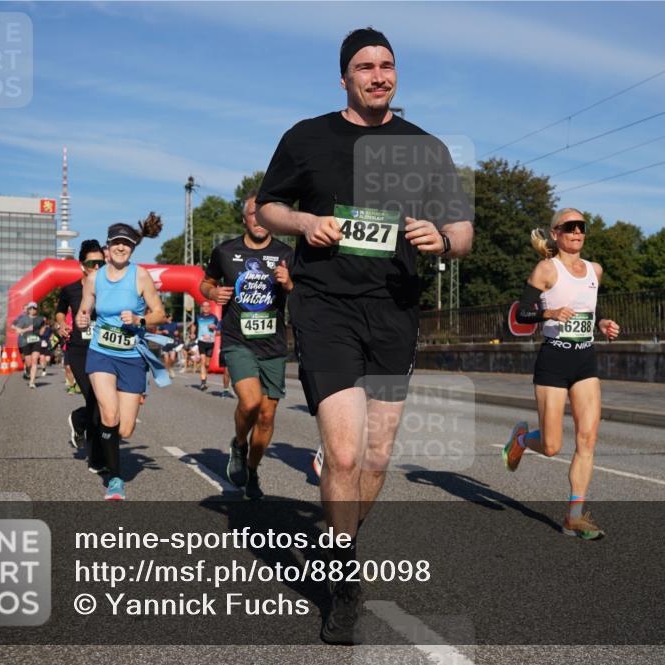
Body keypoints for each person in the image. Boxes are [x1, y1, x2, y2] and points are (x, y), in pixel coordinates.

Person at [256, 27, 473, 644]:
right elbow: (269, 207)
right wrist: (305, 222)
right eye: (365, 66)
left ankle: (339, 541)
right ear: (344, 78)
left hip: (394, 312)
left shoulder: (425, 147)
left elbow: (463, 231)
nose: (378, 75)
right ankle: (345, 583)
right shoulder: (307, 137)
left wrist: (442, 239)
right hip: (325, 308)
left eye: (387, 65)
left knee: (376, 458)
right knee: (345, 456)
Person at [504, 208, 621, 540]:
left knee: (587, 439)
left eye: (581, 226)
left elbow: (591, 308)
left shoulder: (595, 269)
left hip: (585, 360)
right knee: (552, 446)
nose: (577, 231)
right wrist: (549, 312)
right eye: (570, 227)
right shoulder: (546, 269)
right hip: (554, 359)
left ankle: (574, 517)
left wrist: (602, 323)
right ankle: (521, 440)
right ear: (555, 233)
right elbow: (522, 313)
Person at [201, 191, 294, 500]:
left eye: (265, 214)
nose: (259, 219)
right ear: (244, 219)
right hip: (238, 340)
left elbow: (302, 294)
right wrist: (212, 294)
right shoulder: (225, 252)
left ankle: (252, 470)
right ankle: (239, 444)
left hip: (273, 344)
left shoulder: (286, 254)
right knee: (251, 403)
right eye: (254, 213)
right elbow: (206, 283)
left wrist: (288, 283)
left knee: (266, 417)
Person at [77, 214, 166, 501]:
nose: (120, 247)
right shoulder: (94, 278)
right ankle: (115, 478)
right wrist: (81, 319)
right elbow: (83, 310)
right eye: (116, 242)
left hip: (131, 356)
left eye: (126, 244)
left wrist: (140, 320)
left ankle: (106, 445)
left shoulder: (140, 276)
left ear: (132, 248)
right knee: (109, 414)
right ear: (108, 247)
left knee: (125, 429)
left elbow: (160, 314)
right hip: (101, 353)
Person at [57, 239, 107, 472]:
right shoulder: (70, 289)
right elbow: (60, 312)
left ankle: (79, 418)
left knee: (102, 402)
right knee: (95, 399)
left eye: (101, 263)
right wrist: (61, 324)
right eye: (91, 263)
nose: (96, 267)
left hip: (105, 349)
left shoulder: (111, 288)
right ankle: (96, 457)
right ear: (81, 266)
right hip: (79, 350)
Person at [11, 302, 45, 389]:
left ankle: (32, 382)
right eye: (31, 308)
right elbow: (18, 331)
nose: (32, 310)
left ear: (37, 310)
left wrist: (42, 332)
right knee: (29, 363)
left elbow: (43, 328)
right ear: (28, 310)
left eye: (34, 308)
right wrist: (27, 329)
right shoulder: (23, 319)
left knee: (35, 360)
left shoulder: (40, 319)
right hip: (26, 342)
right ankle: (27, 369)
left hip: (36, 342)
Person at [193, 300, 219, 392]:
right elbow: (194, 326)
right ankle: (203, 382)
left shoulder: (214, 317)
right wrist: (192, 333)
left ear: (210, 307)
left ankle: (205, 377)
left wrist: (214, 327)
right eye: (204, 306)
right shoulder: (198, 317)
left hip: (211, 342)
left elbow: (219, 328)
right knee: (203, 361)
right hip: (201, 341)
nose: (206, 308)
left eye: (207, 306)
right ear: (202, 307)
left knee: (207, 364)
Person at [157, 313, 179, 378]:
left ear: (171, 317)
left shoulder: (174, 324)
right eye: (166, 317)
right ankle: (167, 372)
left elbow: (177, 332)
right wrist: (162, 332)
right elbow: (157, 332)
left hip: (172, 343)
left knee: (172, 359)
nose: (167, 318)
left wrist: (177, 333)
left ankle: (170, 368)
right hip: (164, 343)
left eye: (168, 317)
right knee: (166, 360)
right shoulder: (162, 325)